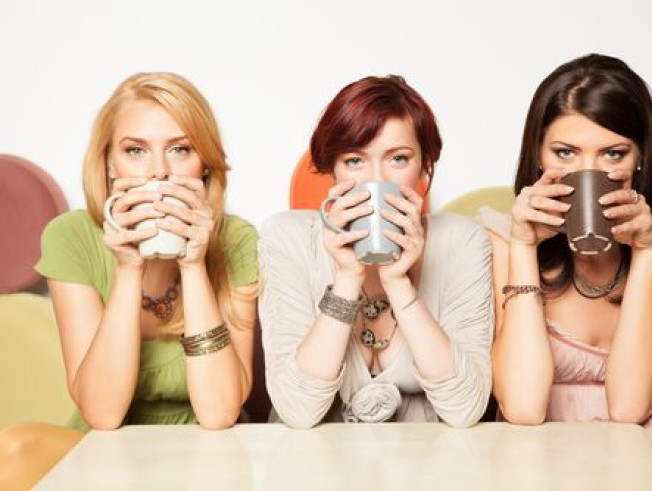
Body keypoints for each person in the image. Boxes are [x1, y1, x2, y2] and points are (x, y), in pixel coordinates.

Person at [480, 53, 652, 488]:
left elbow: (631, 407)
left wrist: (647, 252)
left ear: (639, 159)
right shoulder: (503, 239)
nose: (588, 172)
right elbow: (522, 407)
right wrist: (524, 246)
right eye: (565, 152)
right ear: (539, 156)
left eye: (612, 154)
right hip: (535, 451)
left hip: (642, 444)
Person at [0, 72, 258, 489]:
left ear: (205, 166)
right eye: (135, 150)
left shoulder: (238, 241)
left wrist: (192, 266)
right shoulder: (72, 237)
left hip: (209, 462)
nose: (158, 172)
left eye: (180, 149)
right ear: (108, 165)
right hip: (103, 460)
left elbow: (219, 413)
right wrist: (128, 269)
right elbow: (102, 414)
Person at [259, 75, 492, 428]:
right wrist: (348, 276)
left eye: (398, 159)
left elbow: (465, 409)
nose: (375, 180)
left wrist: (398, 283)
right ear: (333, 169)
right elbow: (297, 411)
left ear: (423, 167)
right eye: (355, 161)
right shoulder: (287, 238)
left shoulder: (462, 241)